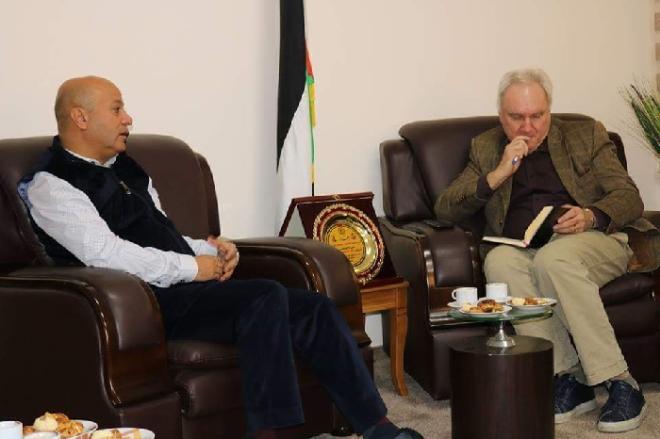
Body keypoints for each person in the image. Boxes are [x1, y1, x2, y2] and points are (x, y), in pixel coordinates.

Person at [18, 76, 423, 439]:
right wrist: (193, 268)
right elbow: (105, 254)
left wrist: (211, 249)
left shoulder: (126, 168)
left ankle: (377, 427)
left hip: (183, 287)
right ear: (80, 117)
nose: (128, 118)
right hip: (142, 303)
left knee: (314, 308)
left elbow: (163, 233)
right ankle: (269, 432)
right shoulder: (52, 184)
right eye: (117, 108)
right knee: (264, 296)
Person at [434, 68, 659, 433]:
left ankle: (620, 380)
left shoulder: (586, 134)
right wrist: (499, 173)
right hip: (523, 248)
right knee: (500, 262)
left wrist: (590, 215)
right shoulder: (486, 147)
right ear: (501, 115)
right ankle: (567, 378)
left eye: (537, 116)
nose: (528, 127)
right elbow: (445, 208)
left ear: (549, 110)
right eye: (516, 117)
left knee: (555, 259)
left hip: (594, 240)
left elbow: (628, 196)